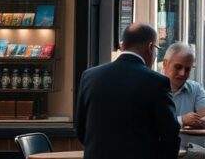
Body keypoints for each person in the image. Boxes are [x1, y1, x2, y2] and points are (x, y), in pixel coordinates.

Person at [75, 23, 180, 159]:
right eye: (156, 49)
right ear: (150, 48)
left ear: (123, 45)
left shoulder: (89, 77)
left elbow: (81, 128)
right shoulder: (157, 82)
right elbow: (170, 134)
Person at [162, 42, 205, 157]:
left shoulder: (195, 88)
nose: (182, 73)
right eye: (178, 67)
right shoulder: (153, 88)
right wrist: (183, 120)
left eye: (187, 69)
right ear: (165, 64)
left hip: (193, 153)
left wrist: (201, 122)